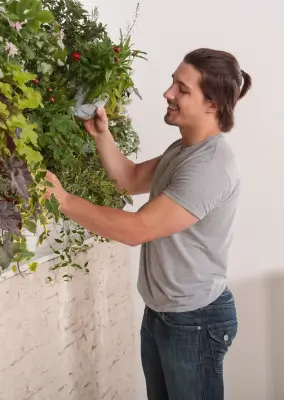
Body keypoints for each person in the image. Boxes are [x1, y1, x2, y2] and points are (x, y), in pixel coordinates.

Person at [44, 48, 252, 399]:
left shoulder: (210, 165)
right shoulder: (184, 149)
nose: (168, 93)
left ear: (212, 104)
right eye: (173, 82)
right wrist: (101, 135)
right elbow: (131, 178)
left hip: (194, 320)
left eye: (182, 89)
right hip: (164, 313)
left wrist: (64, 200)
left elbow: (137, 229)